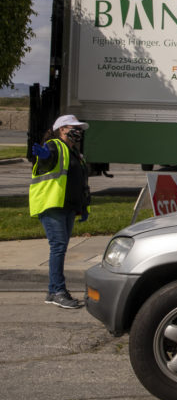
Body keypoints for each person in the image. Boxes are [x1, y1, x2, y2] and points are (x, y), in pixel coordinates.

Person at [29, 115, 92, 309]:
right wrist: (44, 156)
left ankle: (52, 291)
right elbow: (47, 161)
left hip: (67, 207)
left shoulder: (74, 152)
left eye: (80, 128)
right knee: (58, 247)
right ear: (63, 129)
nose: (79, 131)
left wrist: (83, 207)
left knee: (60, 247)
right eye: (75, 127)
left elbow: (80, 183)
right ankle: (58, 291)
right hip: (52, 206)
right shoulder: (54, 146)